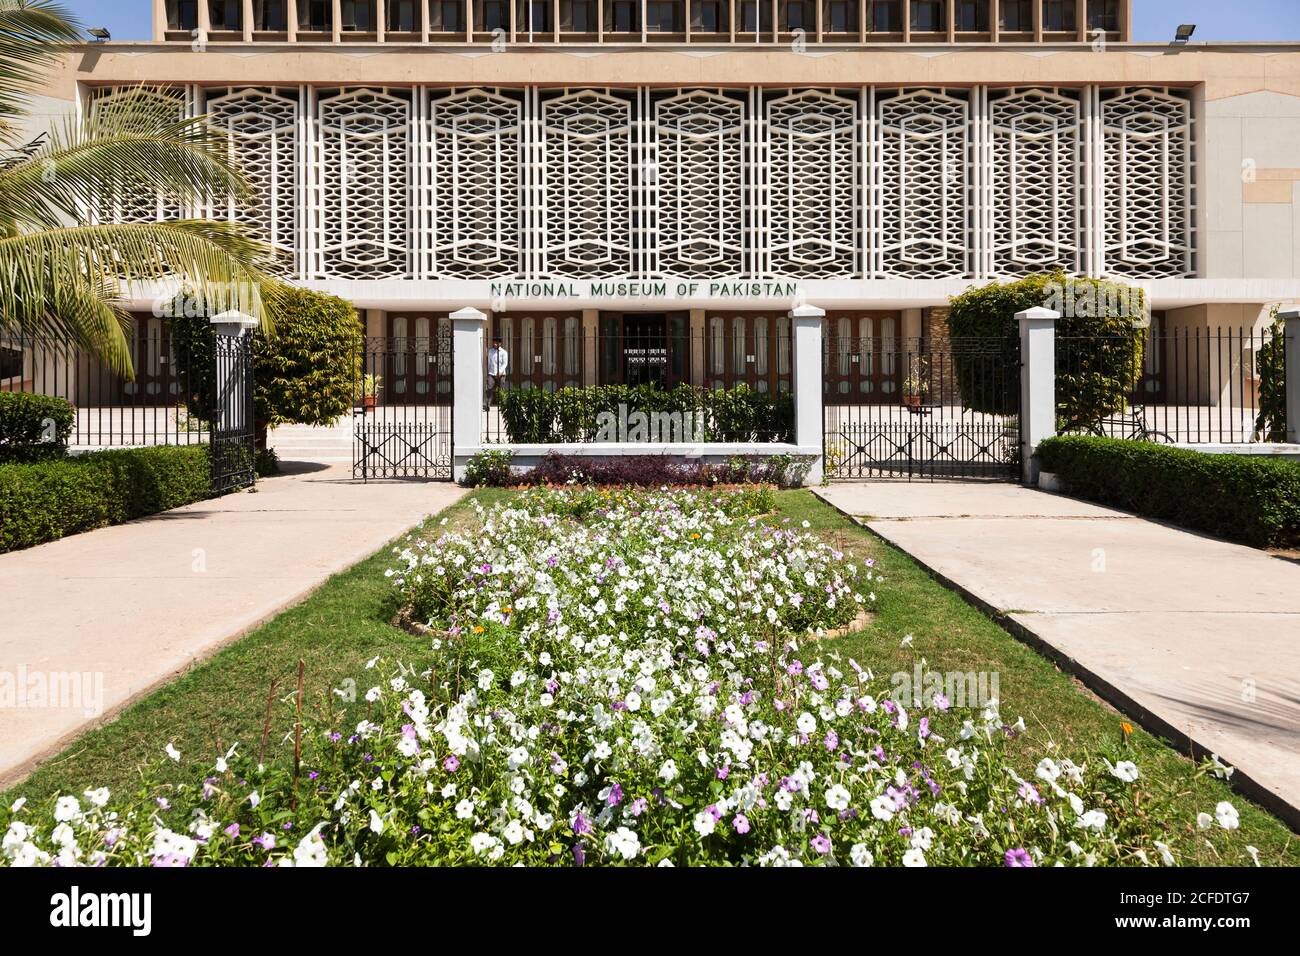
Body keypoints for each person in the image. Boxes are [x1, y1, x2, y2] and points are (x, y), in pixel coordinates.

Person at [485, 335, 509, 411]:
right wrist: (488, 373)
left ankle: (502, 405)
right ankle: (487, 405)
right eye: (494, 343)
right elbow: (489, 362)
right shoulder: (490, 351)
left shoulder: (504, 352)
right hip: (491, 373)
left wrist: (500, 371)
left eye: (496, 343)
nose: (494, 344)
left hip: (501, 374)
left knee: (501, 390)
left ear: (500, 343)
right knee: (489, 389)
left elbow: (505, 363)